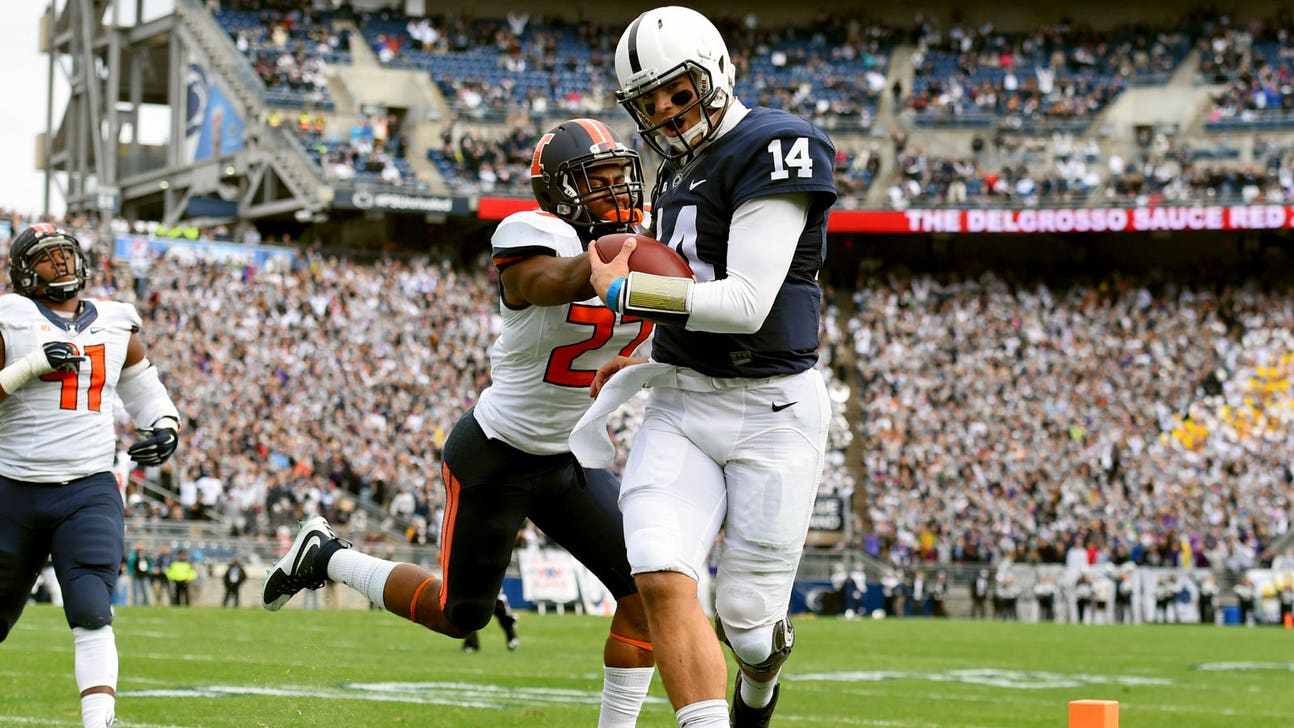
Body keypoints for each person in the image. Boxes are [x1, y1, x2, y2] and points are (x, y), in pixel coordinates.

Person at [262, 118, 657, 728]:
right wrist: (609, 266)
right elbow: (545, 283)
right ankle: (327, 556)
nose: (618, 194)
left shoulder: (648, 246)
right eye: (596, 182)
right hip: (496, 454)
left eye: (619, 179)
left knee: (649, 595)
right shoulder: (535, 238)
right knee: (460, 616)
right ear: (558, 193)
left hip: (570, 458)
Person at [575, 7, 838, 726]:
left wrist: (626, 292)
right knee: (660, 574)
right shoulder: (675, 169)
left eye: (676, 90)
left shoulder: (776, 142)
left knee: (748, 620)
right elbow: (686, 291)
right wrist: (628, 347)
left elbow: (747, 301)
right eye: (648, 101)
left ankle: (759, 682)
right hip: (683, 400)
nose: (664, 109)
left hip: (774, 410)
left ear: (715, 69)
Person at [0, 223, 181, 728]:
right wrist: (30, 365)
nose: (59, 265)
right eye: (45, 258)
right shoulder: (9, 319)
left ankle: (97, 722)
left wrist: (164, 424)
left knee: (91, 605)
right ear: (21, 274)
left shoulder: (116, 320)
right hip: (12, 487)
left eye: (64, 254)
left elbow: (144, 387)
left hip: (87, 486)